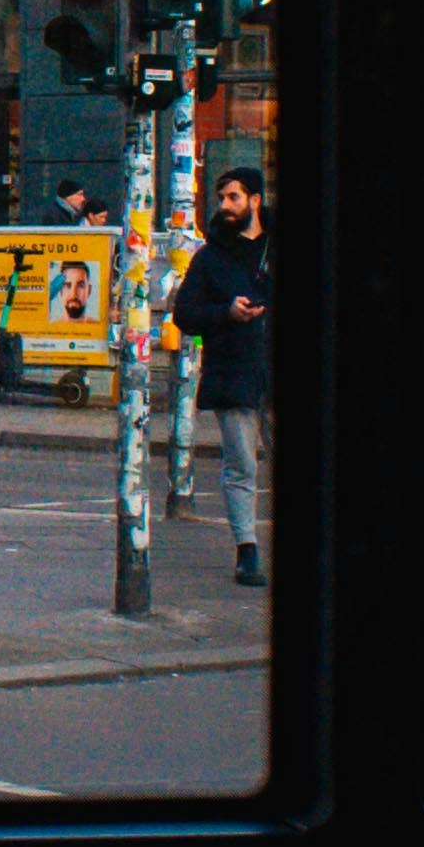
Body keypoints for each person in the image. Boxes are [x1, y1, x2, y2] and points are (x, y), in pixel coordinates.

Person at [167, 165, 278, 586]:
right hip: (234, 373)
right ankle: (246, 550)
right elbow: (185, 314)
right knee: (241, 466)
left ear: (255, 200)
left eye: (234, 197)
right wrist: (226, 313)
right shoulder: (210, 258)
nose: (225, 206)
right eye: (221, 198)